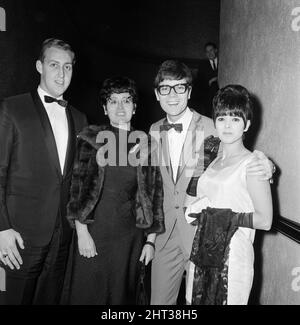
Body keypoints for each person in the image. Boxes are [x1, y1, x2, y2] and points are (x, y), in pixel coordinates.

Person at [149, 60, 274, 305]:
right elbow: (153, 184)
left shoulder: (212, 127)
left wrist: (268, 167)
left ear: (190, 91)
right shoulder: (153, 130)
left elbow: (242, 161)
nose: (172, 95)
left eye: (180, 88)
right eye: (165, 88)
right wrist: (151, 236)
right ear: (157, 93)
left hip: (206, 238)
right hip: (166, 236)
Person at [0, 38, 88, 304]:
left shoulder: (80, 117)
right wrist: (2, 229)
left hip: (62, 235)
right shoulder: (12, 108)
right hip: (19, 236)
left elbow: (78, 180)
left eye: (68, 67)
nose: (61, 74)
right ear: (39, 66)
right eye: (54, 65)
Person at [65, 76, 164, 305]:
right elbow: (76, 189)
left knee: (121, 299)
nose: (120, 108)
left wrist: (150, 241)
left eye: (126, 101)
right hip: (93, 233)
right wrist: (81, 233)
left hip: (128, 240)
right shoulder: (90, 139)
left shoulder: (147, 145)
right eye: (113, 101)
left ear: (135, 107)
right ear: (104, 108)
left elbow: (154, 196)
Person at [184, 84, 273, 305]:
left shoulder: (253, 164)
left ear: (247, 124)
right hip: (203, 251)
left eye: (235, 119)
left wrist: (221, 218)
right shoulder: (211, 155)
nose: (227, 125)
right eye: (222, 118)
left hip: (233, 260)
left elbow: (265, 220)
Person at [193, 42, 219, 117]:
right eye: (207, 52)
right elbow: (199, 83)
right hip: (208, 98)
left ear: (216, 50)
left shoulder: (223, 62)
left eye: (211, 50)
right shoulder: (202, 65)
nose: (209, 53)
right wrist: (209, 82)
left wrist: (217, 78)